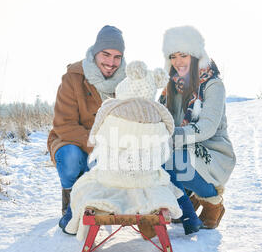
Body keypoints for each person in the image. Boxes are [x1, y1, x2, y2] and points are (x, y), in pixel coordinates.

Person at [64, 61, 183, 241]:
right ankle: (188, 219)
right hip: (145, 179)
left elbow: (95, 133)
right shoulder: (158, 111)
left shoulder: (112, 107)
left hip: (111, 178)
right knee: (162, 174)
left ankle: (68, 221)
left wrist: (94, 139)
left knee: (90, 178)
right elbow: (170, 129)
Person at [47, 25, 126, 231]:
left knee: (105, 166)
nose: (111, 63)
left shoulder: (127, 83)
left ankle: (96, 203)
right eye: (106, 54)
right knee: (73, 159)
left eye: (117, 57)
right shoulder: (73, 77)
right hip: (71, 140)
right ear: (95, 52)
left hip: (110, 145)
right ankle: (70, 200)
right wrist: (98, 145)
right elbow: (64, 125)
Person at [160, 25, 236, 231]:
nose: (178, 62)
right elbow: (159, 115)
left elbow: (208, 127)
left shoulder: (212, 85)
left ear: (195, 56)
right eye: (173, 56)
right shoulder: (171, 86)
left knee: (175, 161)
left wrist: (174, 135)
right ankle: (188, 198)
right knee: (156, 158)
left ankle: (213, 201)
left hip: (212, 151)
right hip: (181, 147)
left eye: (183, 55)